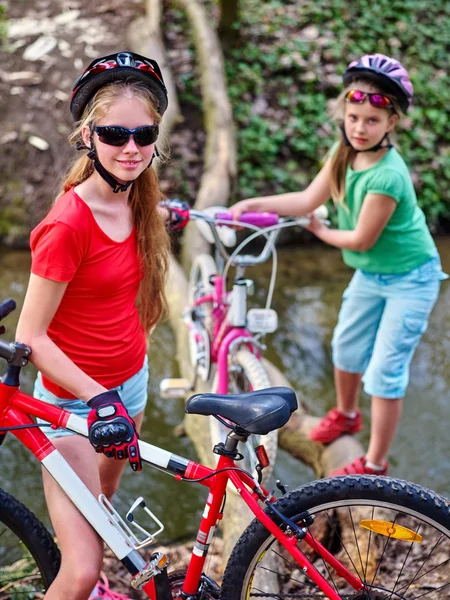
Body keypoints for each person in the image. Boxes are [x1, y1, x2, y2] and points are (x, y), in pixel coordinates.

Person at [16, 51, 188, 600]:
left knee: (106, 510)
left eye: (144, 134)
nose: (132, 148)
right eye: (116, 134)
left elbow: (132, 231)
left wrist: (170, 215)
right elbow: (30, 338)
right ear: (88, 136)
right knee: (83, 565)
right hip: (75, 405)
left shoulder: (139, 194)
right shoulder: (66, 225)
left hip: (128, 383)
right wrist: (98, 399)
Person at [230, 54, 447, 477]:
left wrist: (318, 231)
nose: (359, 128)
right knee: (345, 347)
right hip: (371, 273)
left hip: (411, 279)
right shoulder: (344, 152)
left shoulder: (389, 176)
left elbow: (359, 239)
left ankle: (374, 464)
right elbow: (308, 199)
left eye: (371, 121)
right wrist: (255, 204)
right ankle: (347, 415)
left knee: (385, 370)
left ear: (391, 124)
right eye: (353, 117)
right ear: (343, 114)